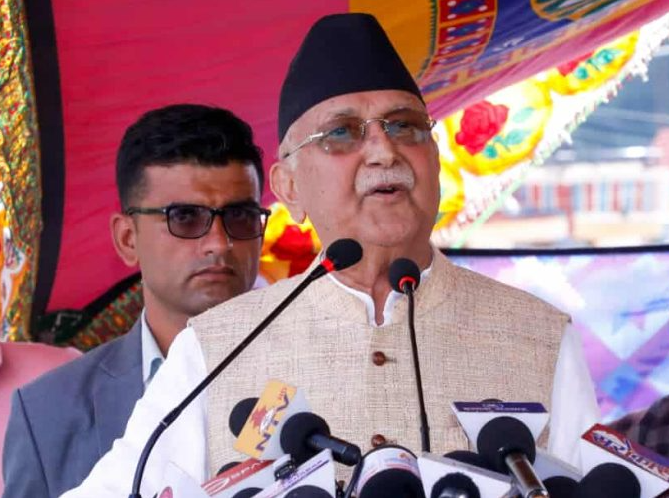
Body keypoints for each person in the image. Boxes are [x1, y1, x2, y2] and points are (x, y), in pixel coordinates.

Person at [63, 14, 599, 497]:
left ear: (435, 159)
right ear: (289, 187)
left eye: (404, 126)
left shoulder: (539, 336)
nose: (384, 151)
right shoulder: (216, 348)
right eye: (341, 133)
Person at [2, 104, 268, 498]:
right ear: (127, 239)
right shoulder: (48, 412)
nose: (218, 242)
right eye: (185, 217)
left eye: (241, 216)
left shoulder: (324, 368)